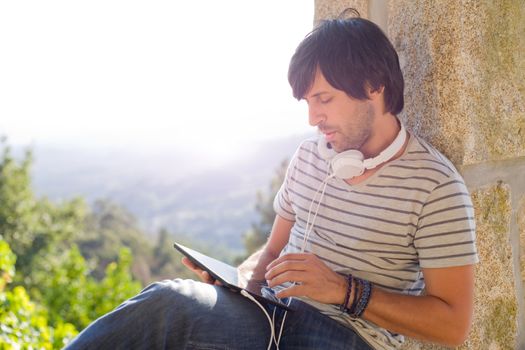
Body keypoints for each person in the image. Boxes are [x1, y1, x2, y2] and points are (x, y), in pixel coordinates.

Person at [65, 10, 478, 350]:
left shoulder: (436, 187)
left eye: (324, 99)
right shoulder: (308, 157)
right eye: (307, 102)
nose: (313, 118)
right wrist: (235, 286)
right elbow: (271, 254)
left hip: (349, 339)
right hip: (274, 318)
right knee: (168, 302)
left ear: (374, 85)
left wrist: (344, 290)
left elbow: (452, 325)